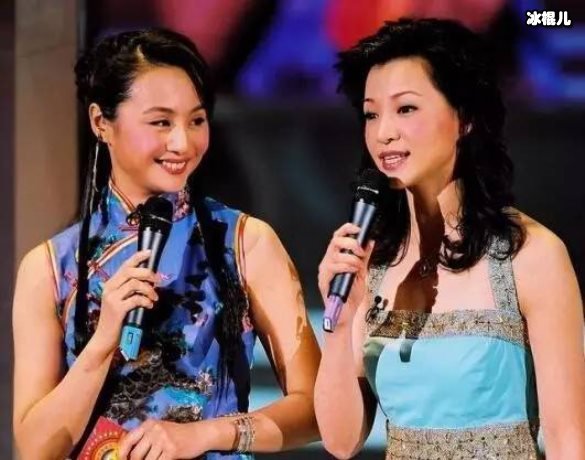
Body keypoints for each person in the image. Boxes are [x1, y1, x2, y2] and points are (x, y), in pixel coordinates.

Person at [12, 28, 320, 460]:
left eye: (196, 120)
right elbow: (35, 448)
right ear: (101, 123)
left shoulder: (245, 242)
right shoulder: (50, 267)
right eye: (161, 122)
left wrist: (207, 434)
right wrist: (102, 343)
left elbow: (314, 410)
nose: (183, 142)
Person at [314, 18, 585, 459]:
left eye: (406, 109)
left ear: (465, 118)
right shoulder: (372, 261)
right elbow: (341, 442)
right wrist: (340, 327)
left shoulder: (530, 254)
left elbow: (568, 440)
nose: (383, 133)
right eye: (371, 113)